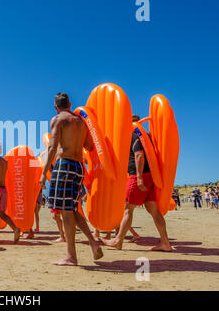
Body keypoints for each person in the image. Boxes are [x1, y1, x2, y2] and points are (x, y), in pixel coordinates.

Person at [40, 92, 103, 266]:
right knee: (73, 208)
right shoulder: (81, 122)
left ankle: (71, 256)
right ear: (69, 103)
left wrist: (43, 172)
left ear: (56, 107)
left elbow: (52, 147)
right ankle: (93, 242)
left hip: (64, 165)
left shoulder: (58, 120)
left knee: (65, 212)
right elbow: (89, 146)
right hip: (79, 167)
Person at [102, 115, 173, 252]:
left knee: (128, 208)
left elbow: (139, 155)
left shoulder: (134, 134)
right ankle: (165, 243)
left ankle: (118, 241)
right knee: (153, 210)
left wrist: (139, 177)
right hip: (150, 175)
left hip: (138, 175)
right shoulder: (145, 136)